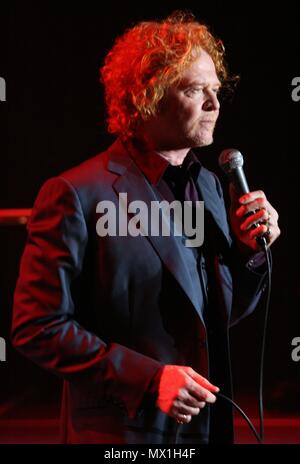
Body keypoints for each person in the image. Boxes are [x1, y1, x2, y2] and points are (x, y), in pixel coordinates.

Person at [11, 11, 280, 444]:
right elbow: (37, 326)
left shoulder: (210, 186)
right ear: (147, 97)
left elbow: (212, 320)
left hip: (208, 430)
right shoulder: (78, 193)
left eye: (216, 90)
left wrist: (249, 254)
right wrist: (148, 380)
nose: (214, 104)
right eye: (196, 90)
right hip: (124, 435)